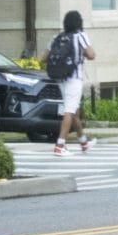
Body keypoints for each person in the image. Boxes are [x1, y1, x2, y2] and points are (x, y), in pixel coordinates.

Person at [42, 10, 96, 156]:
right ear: (79, 22)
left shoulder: (57, 37)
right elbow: (91, 55)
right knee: (69, 111)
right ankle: (60, 145)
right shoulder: (81, 36)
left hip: (60, 78)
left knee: (74, 111)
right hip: (74, 77)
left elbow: (44, 57)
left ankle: (83, 142)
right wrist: (80, 53)